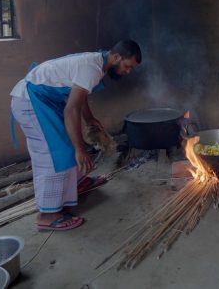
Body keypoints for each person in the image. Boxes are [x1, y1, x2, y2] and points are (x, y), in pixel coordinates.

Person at [10, 40, 141, 230]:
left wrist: (89, 118)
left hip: (46, 101)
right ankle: (47, 215)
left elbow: (78, 92)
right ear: (116, 57)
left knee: (69, 145)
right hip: (31, 101)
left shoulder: (98, 62)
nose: (127, 71)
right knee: (57, 153)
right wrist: (80, 149)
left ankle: (77, 183)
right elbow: (71, 110)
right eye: (127, 66)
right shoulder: (92, 68)